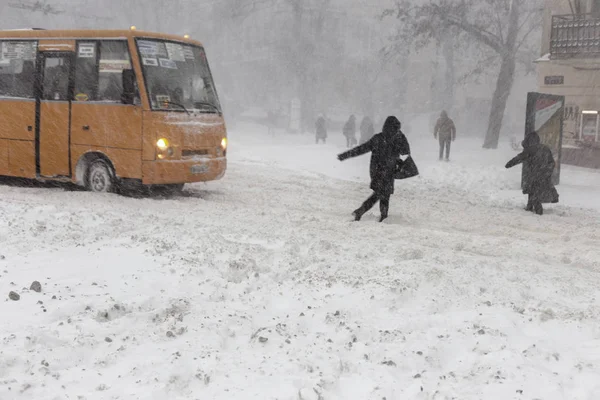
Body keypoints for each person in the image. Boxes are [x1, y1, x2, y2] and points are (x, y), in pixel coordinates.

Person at [337, 116, 411, 222]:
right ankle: (370, 214)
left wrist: (346, 155)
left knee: (382, 193)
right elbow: (406, 151)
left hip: (377, 170)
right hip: (387, 171)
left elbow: (362, 149)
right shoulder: (397, 139)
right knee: (382, 194)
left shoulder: (378, 138)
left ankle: (375, 214)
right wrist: (401, 137)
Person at [505, 131, 559, 216]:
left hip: (534, 174)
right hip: (544, 174)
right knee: (534, 190)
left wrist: (509, 164)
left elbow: (519, 158)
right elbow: (551, 162)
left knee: (533, 192)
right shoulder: (545, 148)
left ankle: (538, 210)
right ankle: (529, 206)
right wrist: (547, 172)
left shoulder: (530, 150)